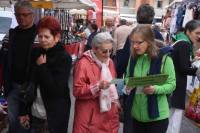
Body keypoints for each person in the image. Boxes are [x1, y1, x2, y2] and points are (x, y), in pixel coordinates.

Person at [18, 16, 72, 133]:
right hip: (34, 112)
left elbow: (56, 89)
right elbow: (28, 82)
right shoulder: (36, 52)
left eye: (46, 36)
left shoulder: (64, 58)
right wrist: (24, 110)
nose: (42, 39)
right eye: (40, 36)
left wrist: (42, 67)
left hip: (53, 115)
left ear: (57, 37)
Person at [124, 24, 176, 133]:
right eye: (133, 42)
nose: (135, 46)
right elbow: (128, 77)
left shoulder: (164, 58)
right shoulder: (133, 58)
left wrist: (155, 89)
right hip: (136, 115)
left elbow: (172, 85)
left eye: (139, 42)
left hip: (157, 117)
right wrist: (128, 84)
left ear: (149, 41)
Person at [0, 1, 37, 132]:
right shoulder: (10, 35)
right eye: (18, 15)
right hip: (13, 87)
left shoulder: (39, 35)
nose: (21, 18)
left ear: (32, 15)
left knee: (28, 123)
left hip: (32, 89)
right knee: (14, 122)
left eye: (25, 15)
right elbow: (2, 61)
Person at [73, 32, 120, 133]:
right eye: (104, 51)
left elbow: (113, 83)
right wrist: (97, 86)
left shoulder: (110, 62)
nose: (108, 55)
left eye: (110, 51)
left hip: (108, 114)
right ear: (94, 48)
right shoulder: (83, 63)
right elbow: (77, 91)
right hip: (89, 117)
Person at [167, 20, 200, 133]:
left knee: (171, 114)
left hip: (173, 81)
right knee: (174, 116)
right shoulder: (185, 44)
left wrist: (191, 61)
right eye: (197, 33)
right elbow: (183, 68)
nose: (199, 36)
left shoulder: (180, 40)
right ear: (188, 32)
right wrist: (197, 70)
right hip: (177, 83)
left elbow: (180, 64)